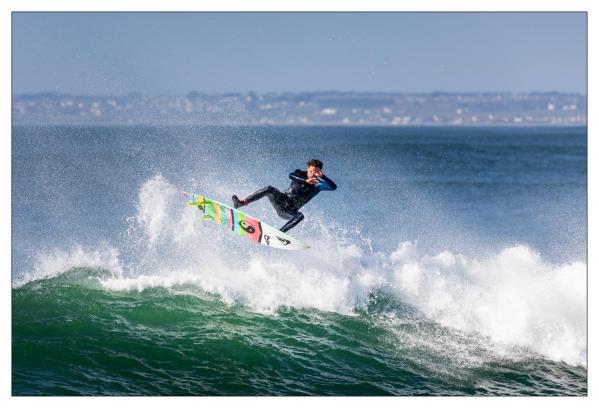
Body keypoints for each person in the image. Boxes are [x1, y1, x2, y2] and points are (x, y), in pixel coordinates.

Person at [232, 159, 337, 233]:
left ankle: (280, 233)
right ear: (308, 168)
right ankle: (241, 203)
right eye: (311, 171)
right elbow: (291, 175)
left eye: (316, 172)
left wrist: (323, 177)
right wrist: (306, 180)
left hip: (289, 211)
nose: (313, 174)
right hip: (280, 200)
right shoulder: (300, 174)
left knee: (300, 216)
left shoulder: (318, 185)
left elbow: (333, 187)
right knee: (269, 189)